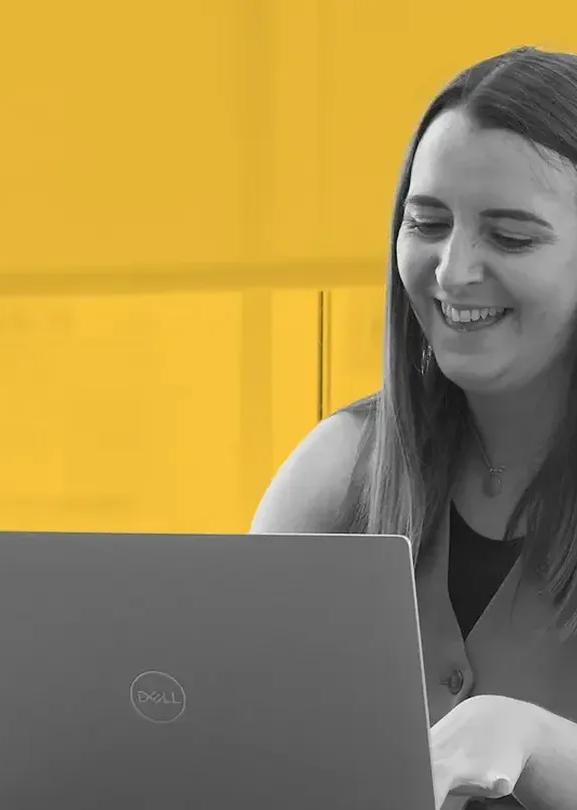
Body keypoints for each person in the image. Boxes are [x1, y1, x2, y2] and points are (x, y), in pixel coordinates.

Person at [252, 46, 577, 810]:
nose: (452, 271)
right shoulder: (338, 472)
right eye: (427, 223)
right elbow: (225, 727)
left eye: (511, 236)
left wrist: (531, 740)